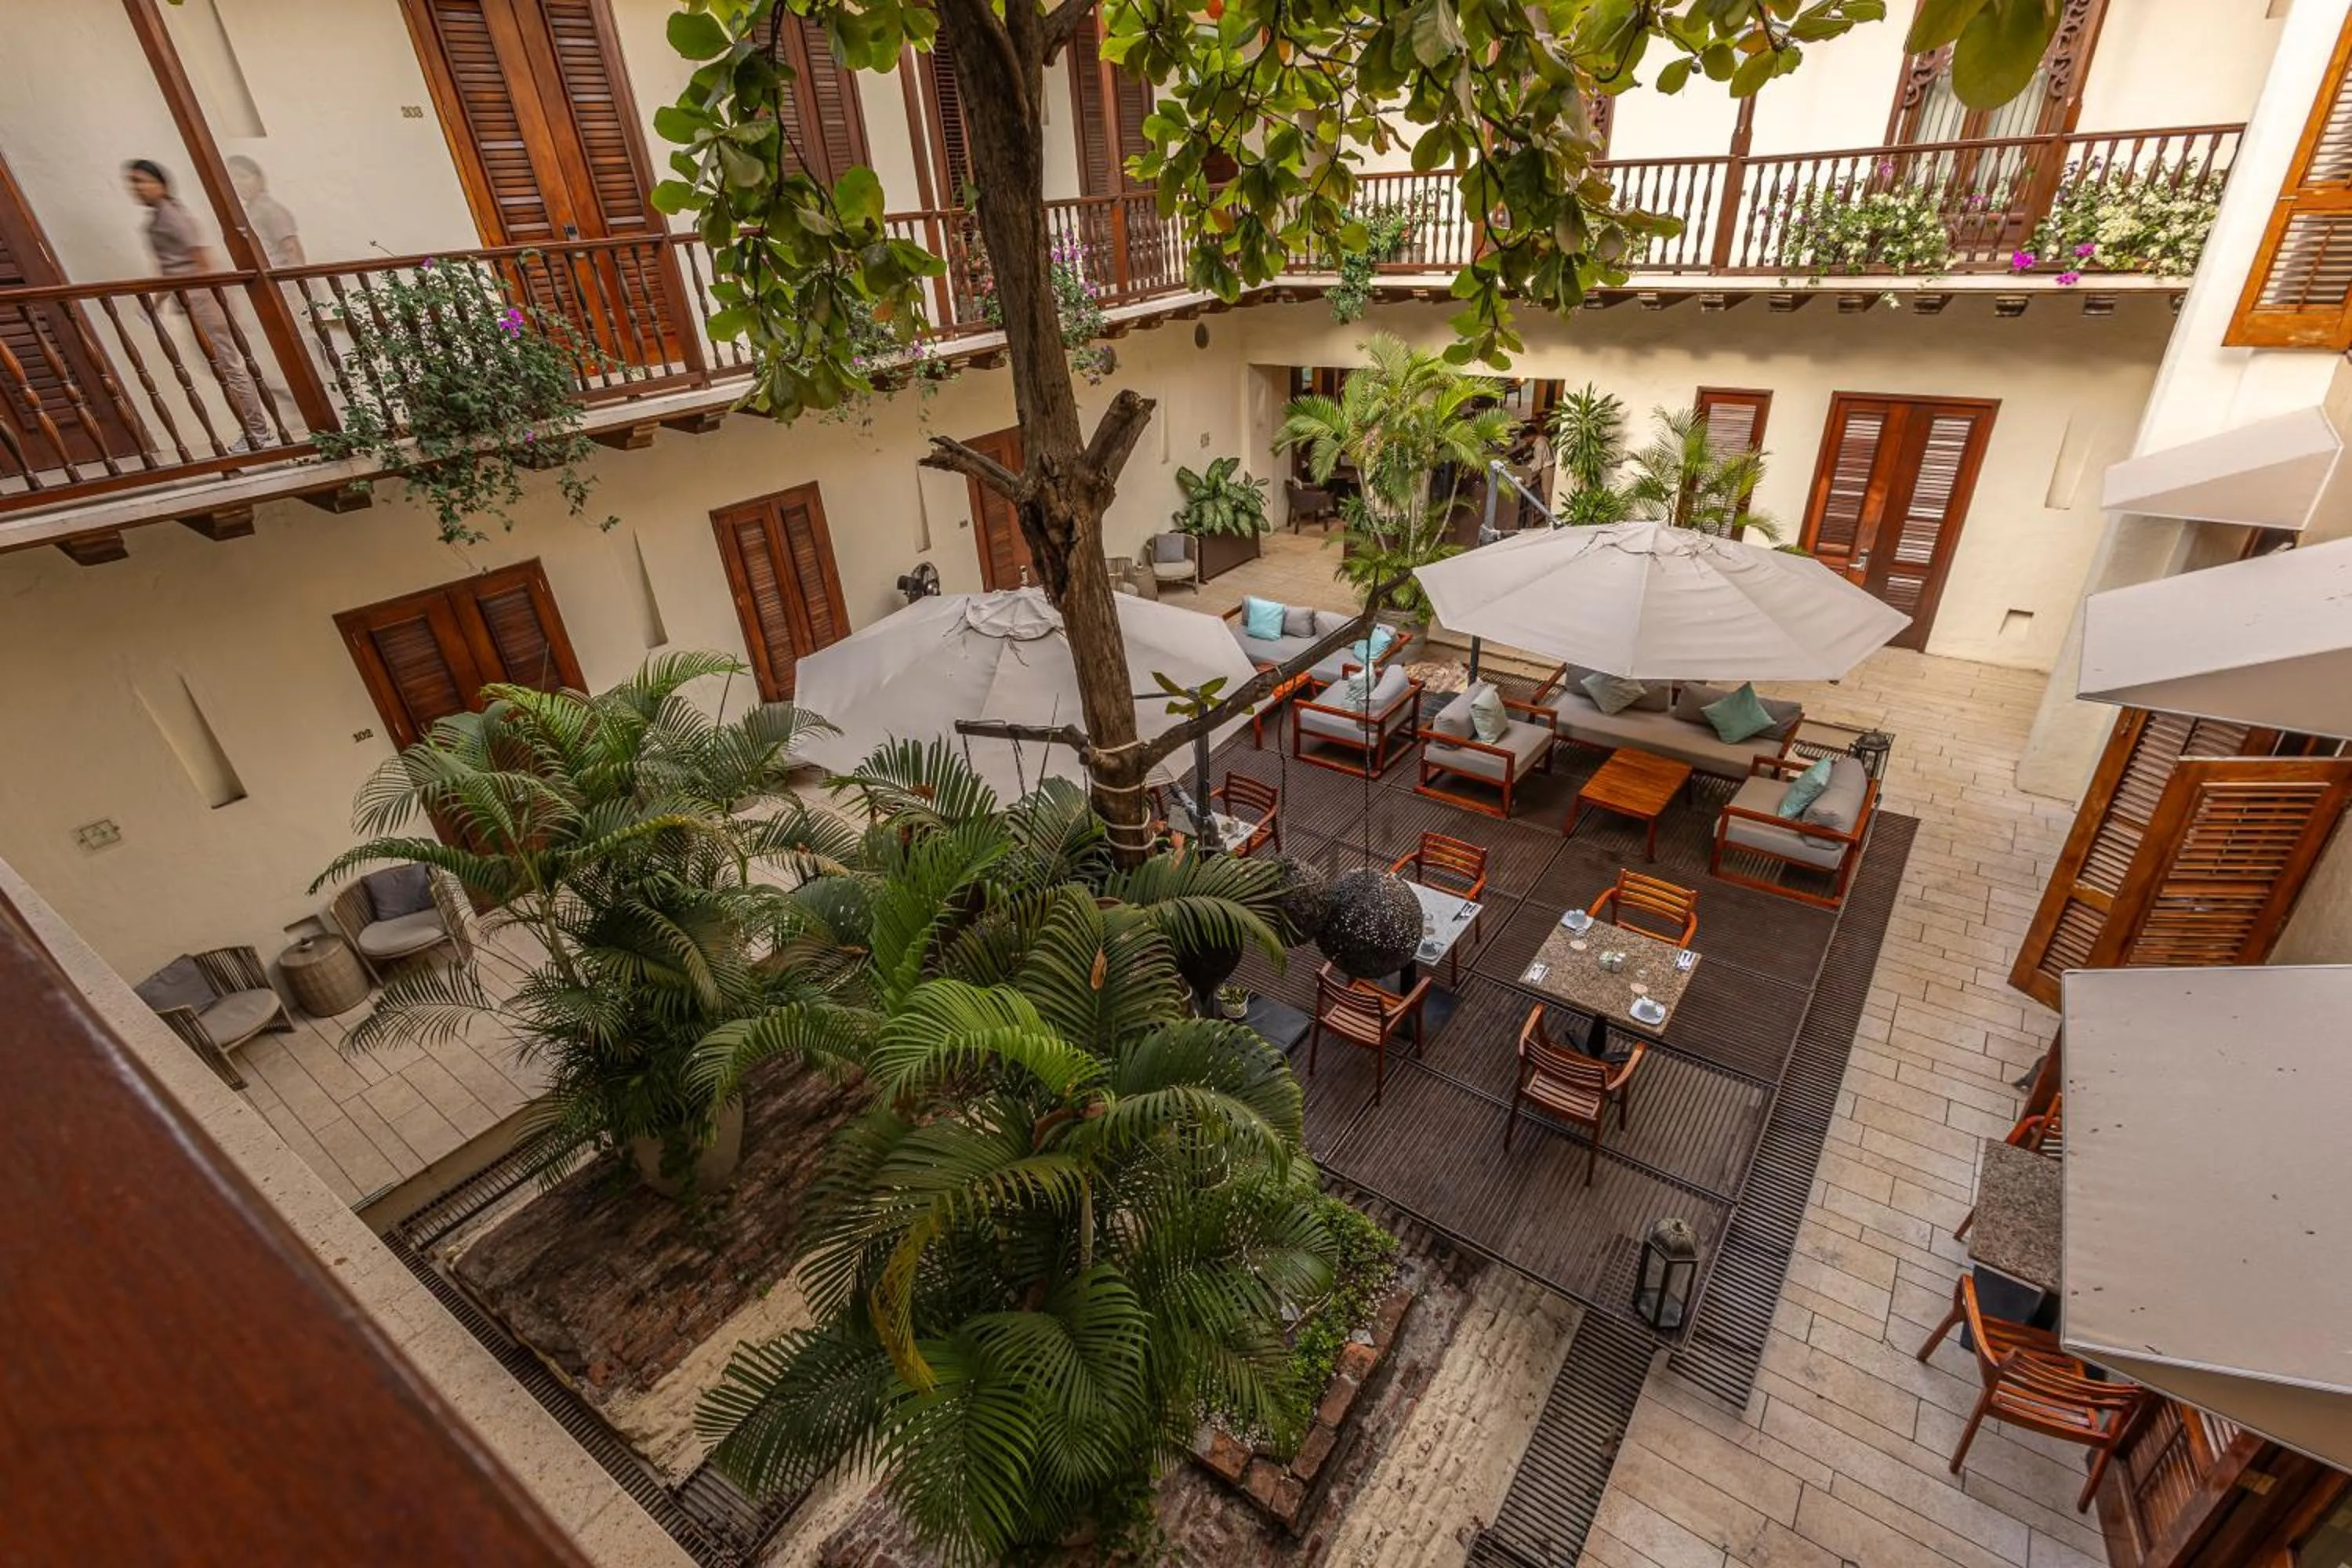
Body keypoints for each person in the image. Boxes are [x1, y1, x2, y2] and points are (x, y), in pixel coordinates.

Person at [123, 158, 274, 450]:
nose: (136, 188)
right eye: (132, 182)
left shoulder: (173, 217)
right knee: (220, 368)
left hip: (204, 304)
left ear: (161, 184)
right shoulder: (156, 221)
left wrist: (216, 301)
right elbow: (169, 270)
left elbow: (202, 260)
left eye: (141, 181)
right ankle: (255, 428)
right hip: (192, 305)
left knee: (230, 368)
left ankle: (258, 432)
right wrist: (155, 305)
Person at [227, 155, 303, 267]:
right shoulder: (249, 211)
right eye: (233, 179)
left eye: (243, 176)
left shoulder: (270, 209)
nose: (238, 183)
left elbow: (292, 249)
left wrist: (295, 274)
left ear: (259, 179)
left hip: (282, 273)